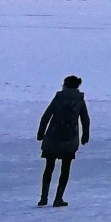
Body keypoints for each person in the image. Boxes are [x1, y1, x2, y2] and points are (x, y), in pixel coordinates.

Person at [36, 74, 90, 207]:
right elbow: (85, 119)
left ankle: (44, 197)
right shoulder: (80, 100)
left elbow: (46, 116)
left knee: (49, 167)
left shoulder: (58, 98)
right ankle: (58, 198)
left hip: (53, 139)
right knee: (65, 169)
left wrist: (41, 133)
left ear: (65, 85)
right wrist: (85, 135)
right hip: (69, 140)